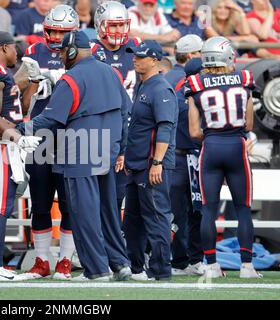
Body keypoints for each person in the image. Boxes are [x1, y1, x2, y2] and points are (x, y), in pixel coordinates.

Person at [17, 31, 133, 281]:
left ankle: (97, 270)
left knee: (85, 213)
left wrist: (17, 130)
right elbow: (126, 115)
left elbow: (50, 120)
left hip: (80, 151)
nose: (60, 56)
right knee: (108, 212)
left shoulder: (70, 79)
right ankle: (120, 264)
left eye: (62, 51)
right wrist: (119, 149)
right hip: (107, 149)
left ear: (71, 51)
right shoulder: (112, 74)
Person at [186, 36, 261, 279]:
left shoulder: (196, 82)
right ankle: (247, 266)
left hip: (211, 146)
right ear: (228, 56)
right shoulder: (244, 79)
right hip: (237, 146)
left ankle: (210, 265)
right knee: (243, 209)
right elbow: (249, 123)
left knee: (208, 210)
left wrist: (213, 138)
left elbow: (194, 131)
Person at [0, 31, 41, 281]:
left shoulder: (4, 74)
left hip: (6, 144)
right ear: (4, 47)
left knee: (2, 205)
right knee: (0, 206)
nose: (18, 54)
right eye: (15, 48)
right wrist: (18, 138)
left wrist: (32, 82)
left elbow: (19, 109)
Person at [18, 4, 78, 281]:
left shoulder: (82, 56)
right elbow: (22, 100)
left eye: (62, 32)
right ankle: (42, 260)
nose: (55, 37)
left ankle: (65, 260)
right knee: (40, 204)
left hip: (71, 137)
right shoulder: (32, 53)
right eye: (52, 30)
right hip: (40, 139)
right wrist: (33, 84)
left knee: (69, 204)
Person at [123, 40, 178, 281]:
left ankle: (160, 270)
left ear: (154, 59)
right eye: (134, 55)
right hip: (136, 165)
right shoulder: (143, 85)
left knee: (156, 219)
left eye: (141, 56)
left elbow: (165, 128)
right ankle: (137, 268)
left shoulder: (160, 88)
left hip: (152, 166)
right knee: (133, 221)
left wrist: (157, 163)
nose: (135, 59)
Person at [90, 0, 140, 218]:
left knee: (123, 192)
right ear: (100, 26)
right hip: (100, 128)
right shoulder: (90, 51)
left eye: (122, 25)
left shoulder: (136, 47)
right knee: (97, 193)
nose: (119, 31)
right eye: (113, 25)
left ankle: (118, 241)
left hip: (130, 127)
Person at [164, 35, 205, 276]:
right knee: (192, 210)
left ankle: (182, 259)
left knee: (179, 210)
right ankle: (190, 259)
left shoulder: (166, 79)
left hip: (173, 154)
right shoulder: (189, 86)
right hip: (187, 154)